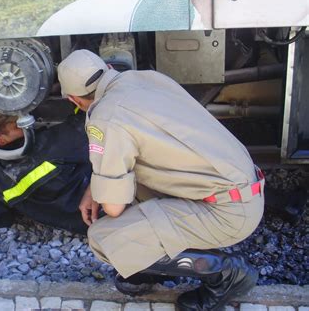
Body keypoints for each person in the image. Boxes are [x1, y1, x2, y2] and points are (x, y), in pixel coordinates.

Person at [57, 49, 265, 310]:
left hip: (227, 214)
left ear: (75, 100)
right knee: (133, 188)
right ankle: (150, 266)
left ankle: (227, 274)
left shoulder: (107, 117)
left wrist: (102, 192)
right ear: (107, 68)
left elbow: (112, 207)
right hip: (242, 189)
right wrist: (93, 187)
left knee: (104, 238)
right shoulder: (144, 79)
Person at [0, 111, 91, 235]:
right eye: (17, 126)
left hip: (79, 220)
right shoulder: (50, 145)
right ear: (2, 140)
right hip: (98, 212)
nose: (28, 126)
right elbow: (89, 125)